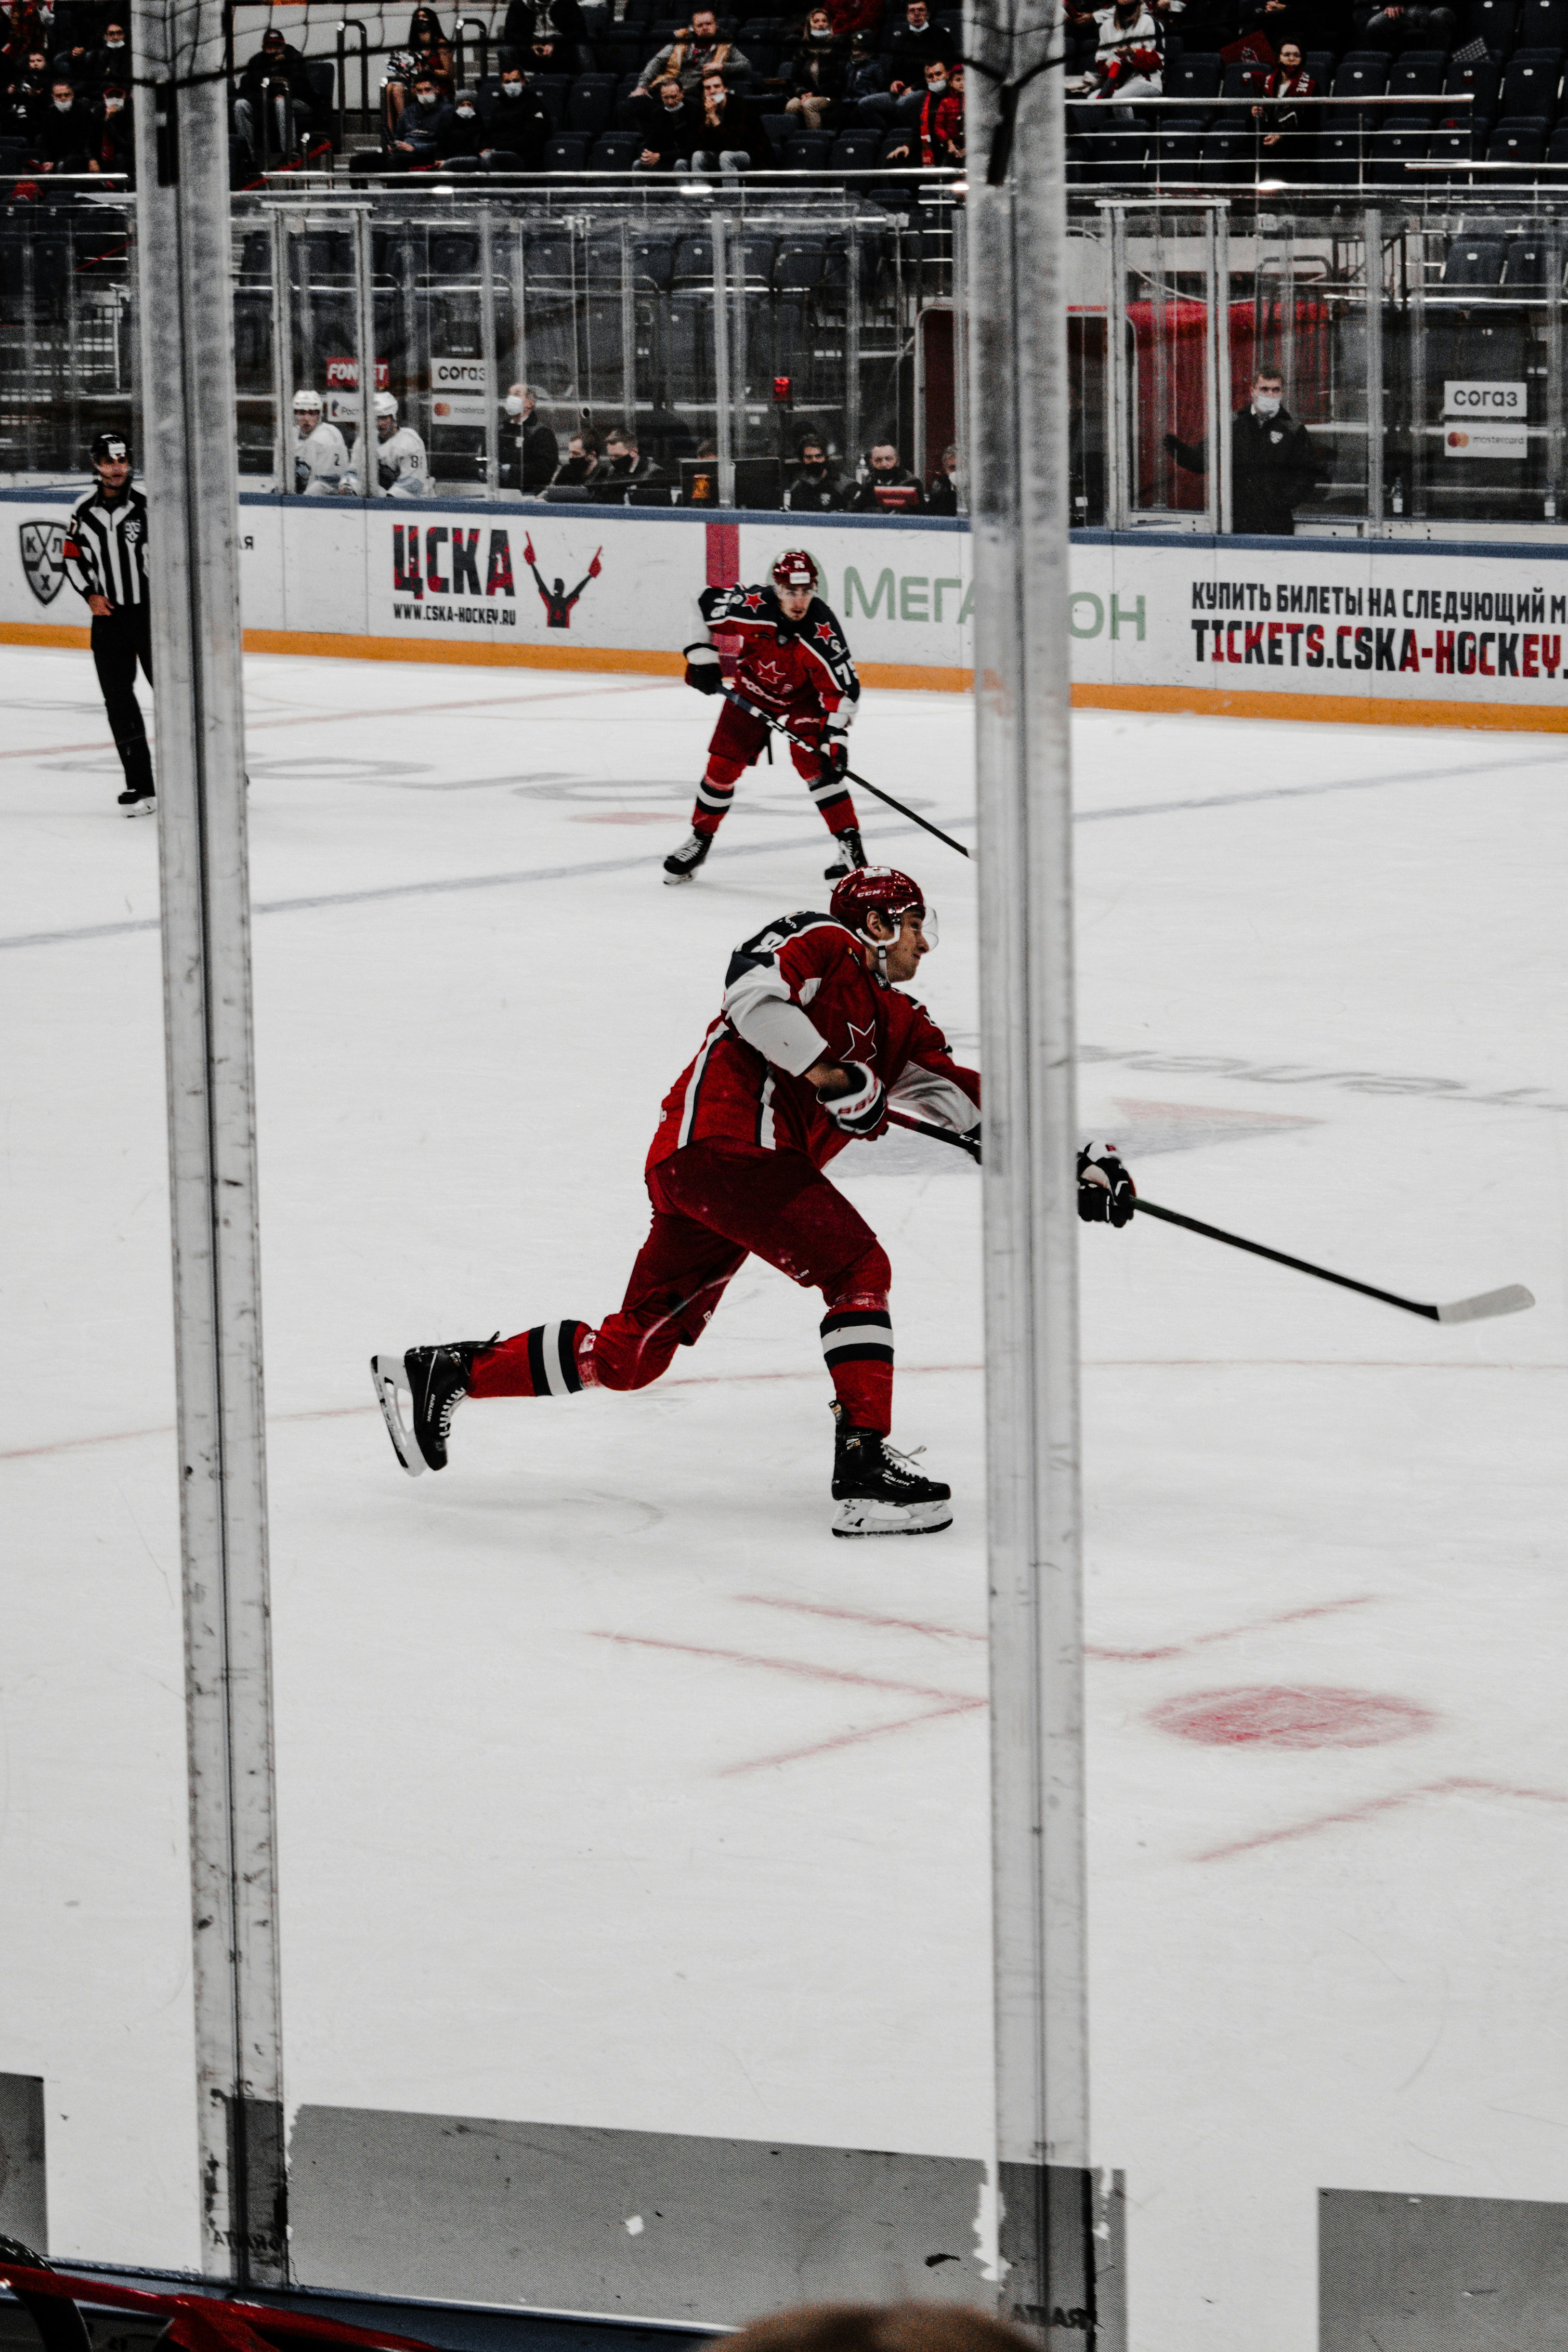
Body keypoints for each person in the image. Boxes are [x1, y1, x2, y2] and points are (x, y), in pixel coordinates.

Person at [372, 873, 1141, 1536]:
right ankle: (865, 1470)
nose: (924, 946)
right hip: (727, 1145)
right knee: (857, 1267)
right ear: (877, 920)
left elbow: (966, 1104)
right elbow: (751, 994)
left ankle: (449, 1372)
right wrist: (831, 1077)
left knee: (633, 1356)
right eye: (914, 927)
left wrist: (1071, 1163)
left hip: (721, 1179)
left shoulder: (901, 1025)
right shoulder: (824, 941)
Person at [664, 547, 866, 886]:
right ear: (777, 589)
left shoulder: (822, 630)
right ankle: (700, 840)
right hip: (752, 689)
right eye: (791, 592)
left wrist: (837, 740)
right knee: (722, 767)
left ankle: (851, 847)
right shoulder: (752, 607)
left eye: (805, 592)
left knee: (815, 762)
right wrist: (701, 656)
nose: (799, 601)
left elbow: (843, 691)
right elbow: (701, 600)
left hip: (807, 699)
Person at [62, 429, 154, 814]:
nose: (117, 468)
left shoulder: (150, 506)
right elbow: (71, 558)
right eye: (109, 461)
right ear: (97, 465)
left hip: (151, 617)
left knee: (179, 697)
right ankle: (141, 786)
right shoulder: (83, 511)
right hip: (110, 620)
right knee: (118, 703)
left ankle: (217, 772)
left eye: (122, 460)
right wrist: (89, 595)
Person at [1165, 365, 1316, 535]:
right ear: (1253, 391)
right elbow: (1201, 461)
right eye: (1264, 389)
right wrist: (1173, 445)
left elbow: (1307, 476)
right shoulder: (1233, 424)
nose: (1270, 395)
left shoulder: (1293, 430)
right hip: (1237, 523)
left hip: (1276, 524)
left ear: (1282, 393)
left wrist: (1279, 503)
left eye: (1275, 390)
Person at [628, 4, 751, 103]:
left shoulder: (725, 45)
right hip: (668, 89)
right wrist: (642, 87)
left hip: (694, 94)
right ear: (694, 28)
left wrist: (721, 66)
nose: (705, 28)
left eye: (709, 24)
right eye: (700, 25)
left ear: (716, 25)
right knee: (628, 107)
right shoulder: (681, 41)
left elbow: (746, 64)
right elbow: (656, 62)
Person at [233, 27, 314, 164]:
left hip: (297, 102)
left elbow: (301, 87)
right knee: (240, 105)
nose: (273, 49)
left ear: (283, 45)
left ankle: (289, 152)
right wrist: (265, 100)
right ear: (264, 47)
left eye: (276, 46)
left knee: (282, 102)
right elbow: (247, 90)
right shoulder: (257, 62)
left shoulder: (294, 58)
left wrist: (280, 93)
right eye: (269, 46)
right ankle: (247, 155)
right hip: (265, 103)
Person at [690, 62, 774, 169]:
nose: (712, 91)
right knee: (698, 156)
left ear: (725, 89)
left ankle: (731, 188)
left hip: (752, 156)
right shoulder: (703, 109)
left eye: (717, 86)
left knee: (726, 156)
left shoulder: (741, 106)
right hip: (720, 155)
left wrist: (715, 119)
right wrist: (708, 120)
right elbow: (699, 146)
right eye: (707, 88)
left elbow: (734, 145)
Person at [882, 54, 962, 161]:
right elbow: (917, 131)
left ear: (947, 75)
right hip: (931, 148)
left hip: (955, 147)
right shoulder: (924, 101)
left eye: (939, 74)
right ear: (926, 79)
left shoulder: (960, 97)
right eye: (930, 76)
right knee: (895, 161)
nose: (935, 79)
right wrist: (907, 146)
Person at [1250, 39, 1314, 167]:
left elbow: (1310, 123)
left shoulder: (1311, 86)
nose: (1291, 59)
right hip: (1265, 137)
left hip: (1293, 141)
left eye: (1296, 55)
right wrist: (1254, 113)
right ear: (1279, 58)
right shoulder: (1267, 82)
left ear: (1302, 59)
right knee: (1242, 157)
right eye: (1287, 55)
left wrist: (1282, 137)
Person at [785, 7, 847, 130]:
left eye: (824, 21)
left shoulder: (837, 46)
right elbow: (795, 78)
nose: (821, 24)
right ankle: (794, 142)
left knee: (809, 105)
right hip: (808, 95)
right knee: (791, 105)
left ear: (829, 25)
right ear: (810, 25)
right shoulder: (803, 48)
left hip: (831, 96)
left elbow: (840, 80)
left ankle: (816, 140)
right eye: (816, 21)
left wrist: (814, 94)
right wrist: (802, 94)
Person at [480, 59, 551, 164]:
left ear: (523, 81)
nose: (512, 85)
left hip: (524, 157)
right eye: (508, 82)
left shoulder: (534, 105)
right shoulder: (499, 108)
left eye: (516, 81)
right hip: (500, 154)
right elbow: (491, 134)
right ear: (502, 84)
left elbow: (532, 139)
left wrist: (499, 147)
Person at [291, 389, 356, 495]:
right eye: (302, 413)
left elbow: (328, 485)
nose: (306, 419)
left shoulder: (328, 437)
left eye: (312, 413)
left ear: (320, 415)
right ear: (295, 414)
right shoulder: (290, 436)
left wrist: (300, 503)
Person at [526, 533, 600, 624]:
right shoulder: (566, 603)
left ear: (554, 590)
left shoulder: (550, 601)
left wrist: (532, 564)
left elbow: (540, 582)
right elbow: (579, 589)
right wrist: (590, 576)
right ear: (563, 590)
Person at [631, 72, 697, 166]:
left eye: (674, 97)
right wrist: (647, 154)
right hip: (664, 156)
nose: (670, 102)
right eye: (666, 98)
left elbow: (691, 150)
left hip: (685, 158)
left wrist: (660, 156)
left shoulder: (693, 110)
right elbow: (651, 141)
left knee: (680, 163)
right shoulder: (658, 113)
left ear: (682, 93)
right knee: (638, 164)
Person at [387, 69, 453, 162]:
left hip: (425, 154)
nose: (424, 94)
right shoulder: (409, 110)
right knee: (365, 160)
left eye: (428, 90)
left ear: (437, 89)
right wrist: (394, 145)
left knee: (393, 161)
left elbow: (443, 144)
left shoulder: (446, 111)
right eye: (420, 91)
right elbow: (398, 137)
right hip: (403, 151)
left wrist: (414, 148)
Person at [503, 383, 559, 490]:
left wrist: (511, 470)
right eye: (510, 395)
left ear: (530, 402)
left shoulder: (542, 434)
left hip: (528, 493)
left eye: (517, 395)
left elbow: (544, 471)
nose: (511, 399)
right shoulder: (501, 429)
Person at [589, 424, 667, 501]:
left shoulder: (653, 474)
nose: (614, 460)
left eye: (617, 457)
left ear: (634, 452)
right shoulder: (611, 472)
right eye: (611, 457)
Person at [842, 441, 925, 513]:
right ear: (872, 463)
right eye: (878, 460)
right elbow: (853, 511)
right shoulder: (868, 483)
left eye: (889, 459)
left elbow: (921, 517)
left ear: (898, 461)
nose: (884, 464)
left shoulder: (911, 483)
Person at [373, 392, 429, 496]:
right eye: (376, 419)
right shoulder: (367, 441)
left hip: (416, 507)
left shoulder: (409, 441)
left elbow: (412, 484)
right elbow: (355, 474)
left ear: (394, 418)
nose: (379, 424)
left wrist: (385, 503)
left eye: (384, 418)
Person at [31, 72, 90, 168]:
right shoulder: (50, 114)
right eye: (59, 96)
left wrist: (58, 161)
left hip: (76, 155)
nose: (63, 98)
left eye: (66, 95)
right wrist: (48, 160)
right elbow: (45, 140)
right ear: (53, 97)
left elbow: (84, 142)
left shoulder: (83, 112)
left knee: (66, 163)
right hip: (56, 154)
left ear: (72, 95)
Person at [785, 434, 850, 511]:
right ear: (802, 460)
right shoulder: (797, 488)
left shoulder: (843, 485)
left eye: (818, 456)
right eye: (809, 457)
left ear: (825, 457)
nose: (814, 461)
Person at [87, 76, 132, 175]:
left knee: (121, 158)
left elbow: (127, 146)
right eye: (111, 96)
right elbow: (89, 140)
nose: (115, 100)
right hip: (101, 155)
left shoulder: (131, 113)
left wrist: (109, 122)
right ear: (105, 97)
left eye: (118, 96)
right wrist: (92, 159)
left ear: (124, 96)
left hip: (122, 157)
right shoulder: (97, 112)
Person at [924, 442, 959, 512]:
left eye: (962, 467)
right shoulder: (939, 490)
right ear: (946, 470)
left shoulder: (980, 490)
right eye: (952, 468)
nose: (957, 472)